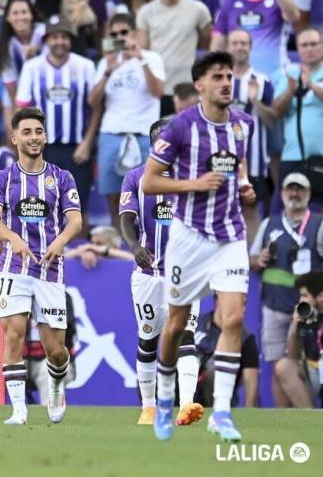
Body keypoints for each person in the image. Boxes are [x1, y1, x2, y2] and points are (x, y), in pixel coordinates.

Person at [142, 51, 256, 442]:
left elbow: (236, 166)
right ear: (200, 85)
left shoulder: (244, 125)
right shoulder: (180, 127)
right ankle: (163, 401)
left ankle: (221, 412)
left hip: (230, 236)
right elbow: (149, 182)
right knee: (174, 327)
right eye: (218, 77)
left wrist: (243, 184)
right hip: (188, 237)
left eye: (230, 75)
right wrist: (193, 184)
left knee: (234, 319)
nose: (227, 82)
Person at [0, 107, 83, 425]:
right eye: (26, 132)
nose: (33, 137)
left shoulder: (61, 177)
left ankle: (55, 386)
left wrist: (60, 241)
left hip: (50, 270)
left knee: (55, 350)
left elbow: (76, 220)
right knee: (13, 333)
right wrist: (13, 238)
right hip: (14, 267)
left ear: (45, 136)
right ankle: (19, 410)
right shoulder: (2, 179)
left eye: (38, 132)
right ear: (14, 138)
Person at [119, 117, 202, 426]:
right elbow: (127, 219)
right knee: (149, 339)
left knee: (186, 335)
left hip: (186, 273)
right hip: (148, 274)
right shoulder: (136, 178)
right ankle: (149, 407)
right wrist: (133, 246)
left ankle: (187, 404)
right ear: (153, 144)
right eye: (159, 139)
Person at [249, 173, 322, 407]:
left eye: (300, 189)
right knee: (277, 365)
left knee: (308, 362)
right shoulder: (269, 223)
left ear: (309, 194)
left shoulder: (318, 224)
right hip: (274, 306)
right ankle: (284, 422)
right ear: (281, 194)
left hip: (310, 310)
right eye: (290, 189)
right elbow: (250, 260)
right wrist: (258, 259)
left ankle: (307, 417)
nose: (294, 193)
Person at [16, 16, 101, 212]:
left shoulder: (85, 66)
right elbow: (22, 110)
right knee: (42, 207)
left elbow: (95, 107)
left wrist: (87, 142)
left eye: (64, 37)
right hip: (42, 148)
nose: (59, 41)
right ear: (46, 41)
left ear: (71, 40)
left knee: (77, 209)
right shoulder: (32, 67)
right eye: (54, 37)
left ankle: (78, 244)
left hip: (77, 149)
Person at [89, 13, 165, 230]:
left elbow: (159, 92)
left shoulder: (151, 58)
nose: (120, 37)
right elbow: (93, 100)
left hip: (144, 135)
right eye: (114, 34)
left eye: (124, 32)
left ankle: (146, 246)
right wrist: (108, 70)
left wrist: (140, 59)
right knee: (114, 198)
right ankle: (120, 245)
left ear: (134, 33)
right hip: (111, 134)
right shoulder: (106, 62)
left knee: (146, 196)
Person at [228, 29, 276, 245]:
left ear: (250, 47)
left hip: (255, 164)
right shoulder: (219, 80)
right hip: (222, 162)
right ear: (228, 46)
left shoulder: (263, 80)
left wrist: (256, 101)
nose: (239, 47)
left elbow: (271, 121)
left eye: (244, 43)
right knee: (221, 214)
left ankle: (252, 264)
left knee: (251, 213)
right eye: (235, 43)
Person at [136, 0, 212, 116]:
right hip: (158, 89)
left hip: (188, 88)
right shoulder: (146, 12)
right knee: (159, 134)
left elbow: (209, 43)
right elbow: (143, 50)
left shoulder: (198, 9)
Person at [271, 27, 323, 193]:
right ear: (298, 49)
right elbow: (277, 112)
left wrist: (312, 86)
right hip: (293, 156)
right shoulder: (289, 74)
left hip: (322, 156)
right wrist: (289, 91)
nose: (310, 49)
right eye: (304, 45)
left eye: (314, 44)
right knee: (288, 211)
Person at [210, 0, 300, 78]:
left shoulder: (279, 0)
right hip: (237, 80)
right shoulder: (229, 4)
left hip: (275, 76)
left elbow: (294, 16)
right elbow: (217, 45)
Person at [194, 298, 259, 408]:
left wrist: (249, 414)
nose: (242, 309)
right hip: (189, 387)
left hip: (221, 397)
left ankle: (219, 415)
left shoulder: (246, 338)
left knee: (214, 371)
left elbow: (250, 382)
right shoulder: (195, 324)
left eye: (244, 304)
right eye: (237, 303)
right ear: (219, 301)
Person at [0, 0, 46, 101]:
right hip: (21, 90)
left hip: (47, 86)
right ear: (8, 17)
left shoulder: (44, 32)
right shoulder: (7, 43)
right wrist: (19, 110)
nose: (20, 17)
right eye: (15, 13)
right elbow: (10, 83)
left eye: (24, 12)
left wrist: (38, 51)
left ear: (31, 15)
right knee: (6, 99)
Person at [286, 271, 323, 407]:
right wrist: (295, 324)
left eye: (304, 296)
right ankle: (309, 418)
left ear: (320, 296)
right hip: (313, 372)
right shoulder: (306, 314)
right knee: (285, 367)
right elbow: (293, 354)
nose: (301, 301)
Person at [64, 225, 134, 268]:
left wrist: (106, 250)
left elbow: (133, 259)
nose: (93, 246)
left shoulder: (123, 254)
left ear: (114, 244)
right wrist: (77, 252)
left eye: (99, 243)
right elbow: (60, 258)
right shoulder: (88, 252)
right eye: (92, 243)